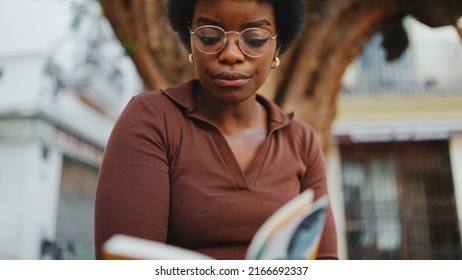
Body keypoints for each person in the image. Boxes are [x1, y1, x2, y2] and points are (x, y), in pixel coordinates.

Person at [94, 0, 338, 260]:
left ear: (277, 46)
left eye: (255, 39)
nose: (231, 54)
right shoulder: (153, 120)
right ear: (190, 42)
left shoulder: (301, 141)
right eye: (209, 37)